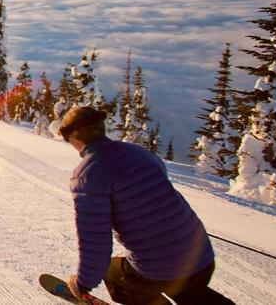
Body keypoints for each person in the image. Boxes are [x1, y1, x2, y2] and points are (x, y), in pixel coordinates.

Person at [60, 105, 235, 305]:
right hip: (201, 256)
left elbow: (95, 239)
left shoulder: (87, 175)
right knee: (187, 289)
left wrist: (83, 283)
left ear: (74, 137)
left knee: (114, 274)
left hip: (159, 270)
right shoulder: (139, 152)